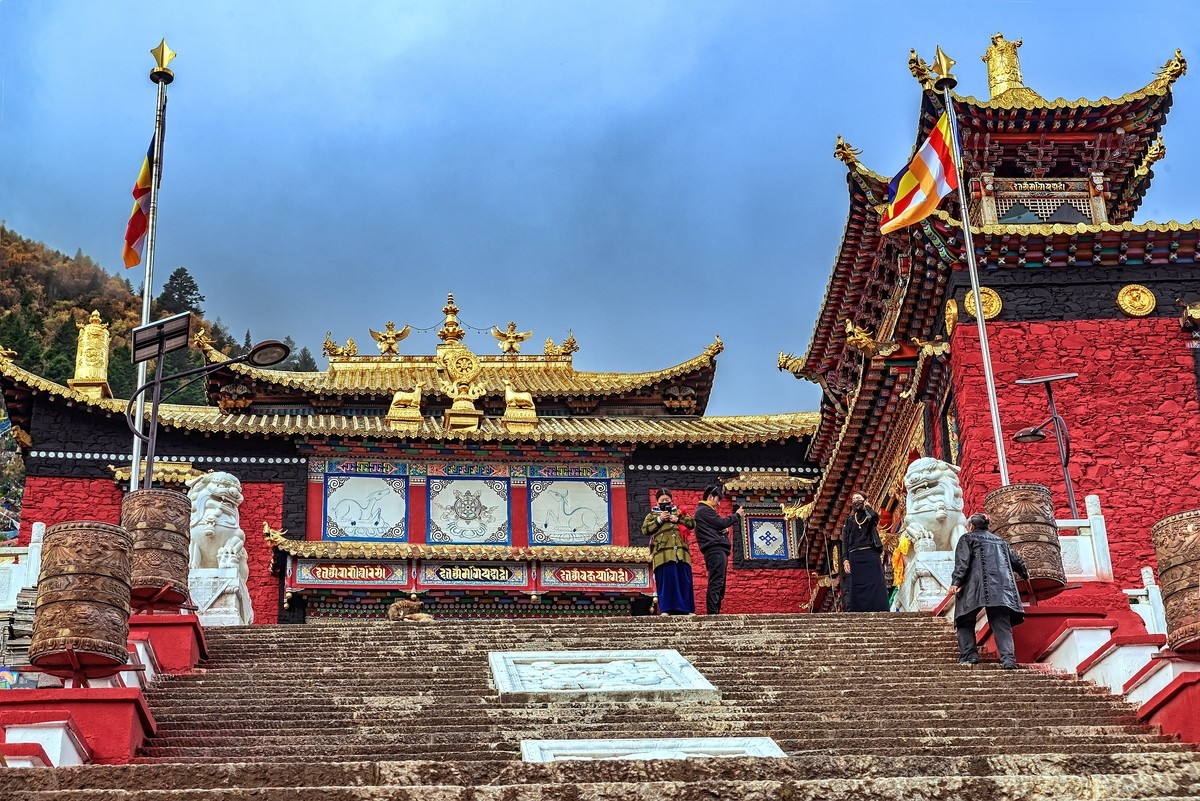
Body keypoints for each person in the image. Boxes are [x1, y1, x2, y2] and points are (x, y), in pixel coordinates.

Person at [949, 512, 1029, 669]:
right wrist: (1024, 573)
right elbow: (1017, 561)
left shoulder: (967, 538)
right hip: (1002, 588)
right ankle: (1008, 661)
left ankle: (969, 655)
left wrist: (956, 582)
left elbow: (962, 563)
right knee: (1001, 623)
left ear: (971, 526)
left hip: (974, 586)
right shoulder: (1001, 542)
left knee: (964, 619)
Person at [641, 490, 696, 615]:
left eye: (667, 500)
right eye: (662, 500)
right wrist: (659, 520)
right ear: (657, 502)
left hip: (681, 554)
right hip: (663, 555)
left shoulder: (679, 513)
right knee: (667, 583)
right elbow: (645, 530)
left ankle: (686, 609)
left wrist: (677, 519)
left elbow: (692, 524)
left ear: (671, 500)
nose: (665, 502)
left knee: (684, 581)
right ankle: (667, 609)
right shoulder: (652, 515)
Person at [693, 485, 742, 615]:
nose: (719, 503)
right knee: (716, 582)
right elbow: (721, 522)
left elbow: (717, 526)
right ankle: (712, 613)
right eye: (717, 500)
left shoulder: (705, 512)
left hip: (717, 550)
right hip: (715, 550)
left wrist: (722, 531)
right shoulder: (704, 510)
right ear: (710, 497)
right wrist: (736, 515)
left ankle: (715, 612)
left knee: (720, 584)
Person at [839, 492, 888, 612]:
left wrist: (867, 506)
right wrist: (845, 559)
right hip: (855, 555)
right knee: (858, 584)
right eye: (854, 498)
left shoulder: (869, 516)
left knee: (875, 581)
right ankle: (860, 610)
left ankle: (880, 608)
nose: (856, 500)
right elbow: (844, 542)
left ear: (865, 500)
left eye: (858, 498)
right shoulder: (849, 520)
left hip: (870, 552)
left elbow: (875, 517)